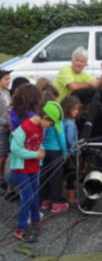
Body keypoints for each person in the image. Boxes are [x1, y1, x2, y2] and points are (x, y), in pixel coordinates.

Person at [9, 101, 59, 242]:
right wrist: (35, 155)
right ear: (45, 117)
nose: (51, 127)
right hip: (21, 168)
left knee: (35, 195)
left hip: (34, 167)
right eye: (52, 123)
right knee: (28, 198)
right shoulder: (25, 127)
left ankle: (36, 221)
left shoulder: (41, 127)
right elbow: (15, 149)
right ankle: (20, 229)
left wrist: (41, 150)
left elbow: (37, 142)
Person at [38, 93, 67, 214]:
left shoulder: (41, 119)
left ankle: (44, 201)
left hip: (43, 151)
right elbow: (61, 137)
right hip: (55, 152)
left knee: (44, 176)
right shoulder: (56, 119)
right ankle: (56, 203)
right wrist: (65, 153)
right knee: (56, 178)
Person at [60, 96, 81, 205]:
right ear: (67, 109)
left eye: (77, 109)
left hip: (62, 153)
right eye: (74, 109)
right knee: (71, 177)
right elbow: (71, 140)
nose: (76, 112)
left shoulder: (62, 121)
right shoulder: (71, 123)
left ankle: (62, 197)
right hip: (70, 154)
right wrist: (78, 152)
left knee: (63, 177)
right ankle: (72, 199)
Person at [0, 70, 11, 194]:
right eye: (6, 79)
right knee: (1, 155)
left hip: (8, 128)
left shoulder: (7, 92)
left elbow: (10, 108)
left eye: (9, 78)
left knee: (5, 154)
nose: (8, 81)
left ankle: (3, 177)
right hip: (1, 128)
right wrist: (7, 123)